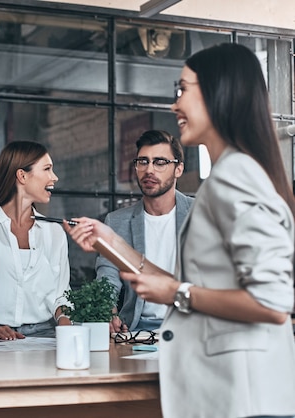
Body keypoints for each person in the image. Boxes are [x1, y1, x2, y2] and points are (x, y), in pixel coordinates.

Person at [65, 43, 295, 418]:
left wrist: (175, 292)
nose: (175, 105)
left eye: (183, 89)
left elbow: (271, 303)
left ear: (216, 94)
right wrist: (112, 242)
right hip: (230, 391)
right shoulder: (226, 177)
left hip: (247, 397)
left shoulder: (238, 178)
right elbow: (199, 283)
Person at [0, 141, 71, 340]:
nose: (55, 177)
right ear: (22, 175)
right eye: (47, 169)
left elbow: (61, 294)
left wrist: (66, 325)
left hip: (45, 337)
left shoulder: (55, 232)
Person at [97, 130, 193, 333]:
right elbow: (107, 277)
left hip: (189, 328)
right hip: (136, 331)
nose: (149, 170)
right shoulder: (117, 221)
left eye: (160, 162)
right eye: (143, 161)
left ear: (178, 169)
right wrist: (109, 311)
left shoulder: (200, 214)